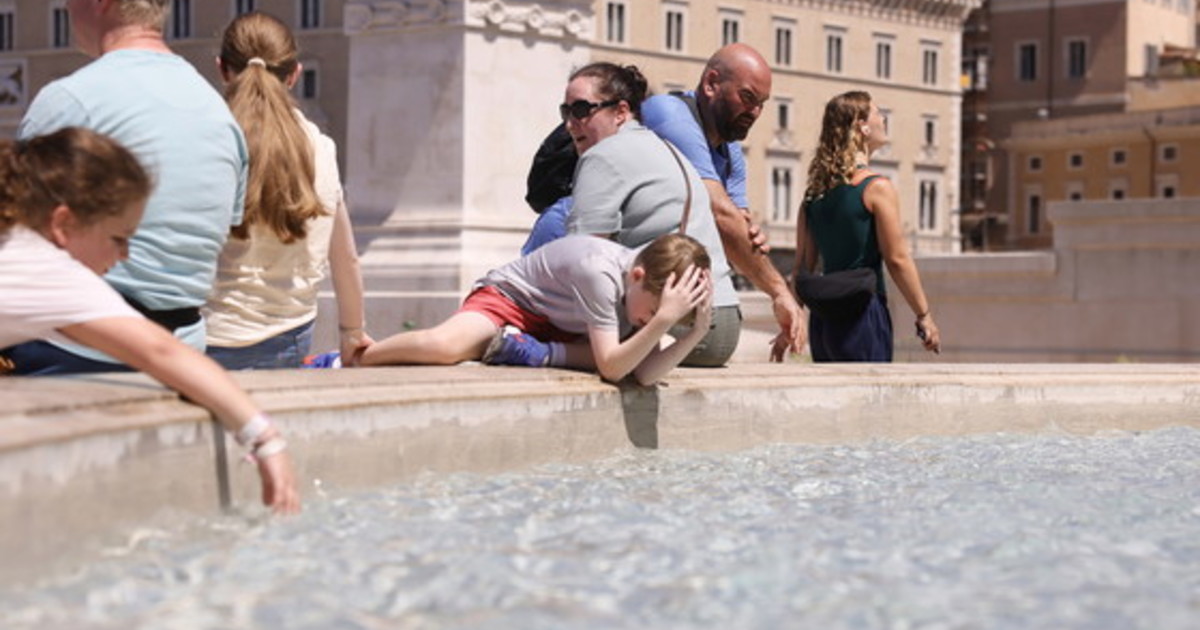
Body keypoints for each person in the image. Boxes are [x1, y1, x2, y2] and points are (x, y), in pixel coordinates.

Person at [0, 127, 299, 514]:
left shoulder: (16, 238)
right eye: (119, 237)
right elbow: (160, 351)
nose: (124, 255)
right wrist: (266, 439)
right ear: (63, 224)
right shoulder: (43, 266)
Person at [7, 0, 249, 374]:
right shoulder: (218, 112)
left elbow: (14, 227)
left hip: (73, 350)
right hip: (183, 350)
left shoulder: (68, 99)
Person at [309, 234, 713, 386]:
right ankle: (355, 357)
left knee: (631, 349)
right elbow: (612, 368)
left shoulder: (639, 296)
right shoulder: (600, 272)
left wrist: (692, 333)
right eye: (658, 309)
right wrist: (659, 324)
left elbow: (641, 373)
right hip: (511, 302)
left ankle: (533, 352)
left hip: (560, 329)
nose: (655, 319)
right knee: (445, 346)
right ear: (638, 275)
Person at [203, 12, 371, 369]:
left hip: (206, 335)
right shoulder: (320, 146)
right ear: (294, 74)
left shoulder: (205, 138)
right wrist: (352, 333)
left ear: (222, 69)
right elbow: (347, 259)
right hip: (287, 335)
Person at [560, 62, 740, 367]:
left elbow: (580, 258)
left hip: (678, 322)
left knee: (533, 344)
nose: (570, 123)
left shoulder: (603, 155)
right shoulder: (663, 146)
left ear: (620, 111)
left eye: (581, 110)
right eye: (565, 112)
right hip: (721, 318)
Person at [641, 43, 805, 362]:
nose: (755, 112)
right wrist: (779, 290)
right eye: (747, 97)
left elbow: (734, 229)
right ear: (711, 83)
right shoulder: (669, 114)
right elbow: (721, 215)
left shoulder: (731, 154)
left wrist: (746, 232)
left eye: (762, 104)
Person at [794, 91, 941, 361]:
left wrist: (791, 322)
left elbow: (803, 267)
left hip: (823, 319)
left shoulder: (813, 195)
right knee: (870, 399)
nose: (882, 119)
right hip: (862, 313)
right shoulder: (876, 188)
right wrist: (924, 315)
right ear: (862, 127)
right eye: (877, 113)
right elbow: (897, 259)